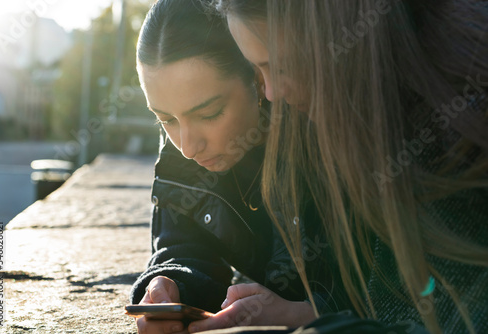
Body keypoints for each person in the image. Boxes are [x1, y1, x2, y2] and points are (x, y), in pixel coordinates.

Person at [188, 1, 488, 334]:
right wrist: (308, 316)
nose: (272, 93)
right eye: (259, 72)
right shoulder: (369, 118)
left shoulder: (458, 124)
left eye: (283, 66)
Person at [129, 1, 337, 333]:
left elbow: (390, 283)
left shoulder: (323, 128)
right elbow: (185, 246)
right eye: (165, 119)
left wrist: (311, 314)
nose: (186, 146)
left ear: (257, 77)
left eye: (209, 114)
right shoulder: (181, 146)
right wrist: (170, 285)